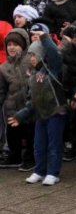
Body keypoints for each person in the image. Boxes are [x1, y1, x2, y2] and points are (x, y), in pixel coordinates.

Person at [10, 31, 67, 186]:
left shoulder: (53, 69)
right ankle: (39, 170)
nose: (32, 58)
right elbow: (31, 101)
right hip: (40, 115)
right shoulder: (33, 76)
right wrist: (20, 115)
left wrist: (44, 38)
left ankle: (53, 173)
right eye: (30, 55)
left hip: (55, 112)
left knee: (54, 145)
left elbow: (54, 54)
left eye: (35, 54)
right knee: (38, 145)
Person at [0, 28, 35, 171]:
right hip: (13, 108)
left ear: (24, 44)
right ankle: (15, 157)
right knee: (13, 135)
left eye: (16, 44)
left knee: (31, 134)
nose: (12, 47)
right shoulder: (4, 67)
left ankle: (30, 159)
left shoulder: (31, 60)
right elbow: (1, 89)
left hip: (30, 107)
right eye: (9, 45)